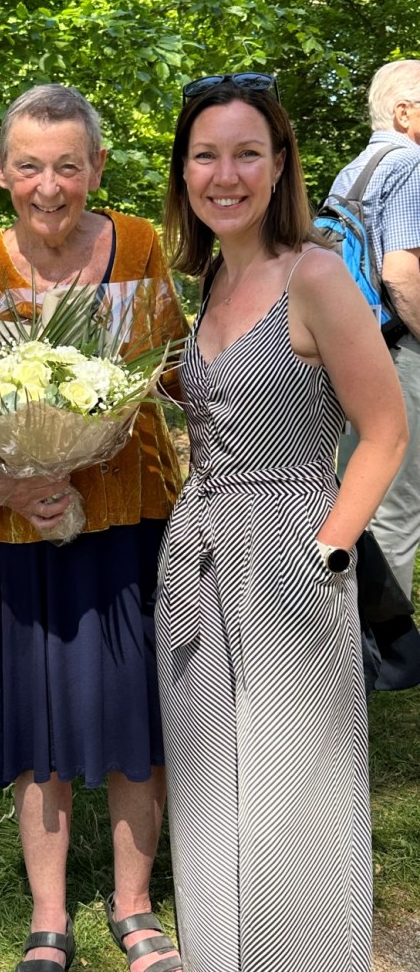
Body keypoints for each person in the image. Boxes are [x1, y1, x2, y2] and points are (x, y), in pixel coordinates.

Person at [157, 72, 408, 971]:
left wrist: (329, 550)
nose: (224, 173)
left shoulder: (315, 274)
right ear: (184, 172)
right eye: (205, 155)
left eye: (245, 154)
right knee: (209, 792)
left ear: (278, 166)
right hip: (195, 567)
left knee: (291, 799)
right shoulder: (210, 281)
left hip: (291, 561)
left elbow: (383, 430)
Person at [0, 84, 187, 972]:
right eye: (31, 165)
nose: (50, 186)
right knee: (37, 730)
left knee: (135, 718)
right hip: (28, 536)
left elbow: (167, 366)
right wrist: (8, 481)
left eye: (68, 166)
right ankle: (48, 918)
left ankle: (132, 904)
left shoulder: (138, 245)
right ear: (3, 170)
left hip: (130, 520)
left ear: (96, 169)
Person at [330, 59, 420, 601]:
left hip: (346, 351)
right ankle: (386, 653)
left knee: (354, 495)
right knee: (399, 503)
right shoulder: (412, 162)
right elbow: (401, 272)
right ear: (405, 111)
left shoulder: (356, 169)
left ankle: (337, 633)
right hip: (396, 351)